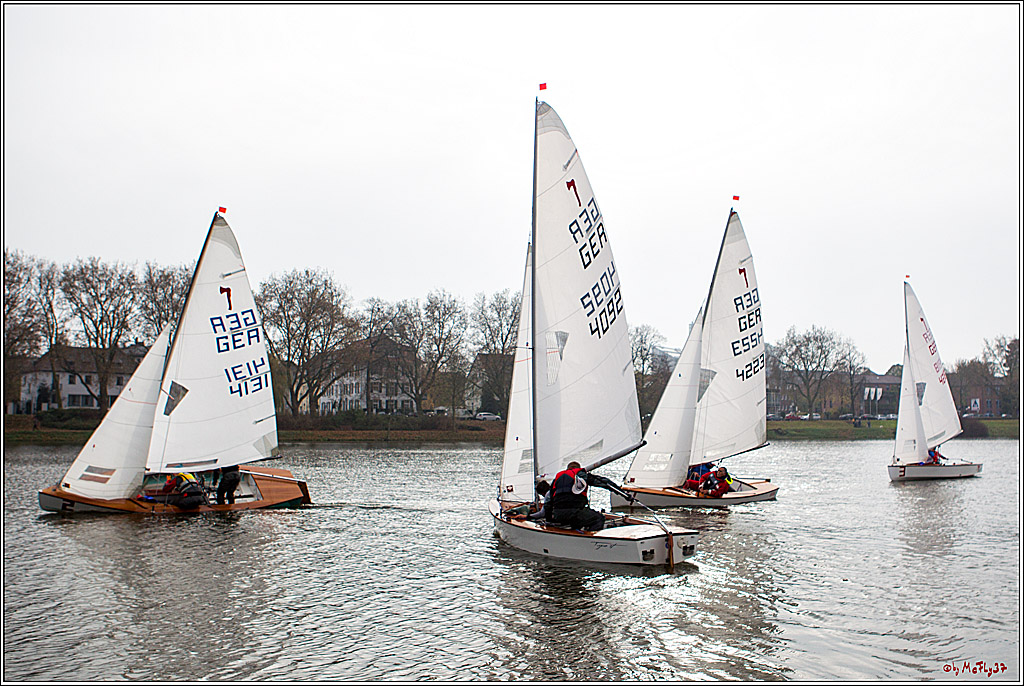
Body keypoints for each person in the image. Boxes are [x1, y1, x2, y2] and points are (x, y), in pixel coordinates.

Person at [547, 461, 616, 531]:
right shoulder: (579, 474)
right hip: (574, 512)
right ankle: (590, 539)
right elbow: (601, 481)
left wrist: (549, 519)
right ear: (578, 468)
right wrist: (617, 489)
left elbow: (548, 502)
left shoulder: (557, 479)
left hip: (558, 514)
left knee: (577, 518)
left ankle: (575, 533)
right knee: (599, 518)